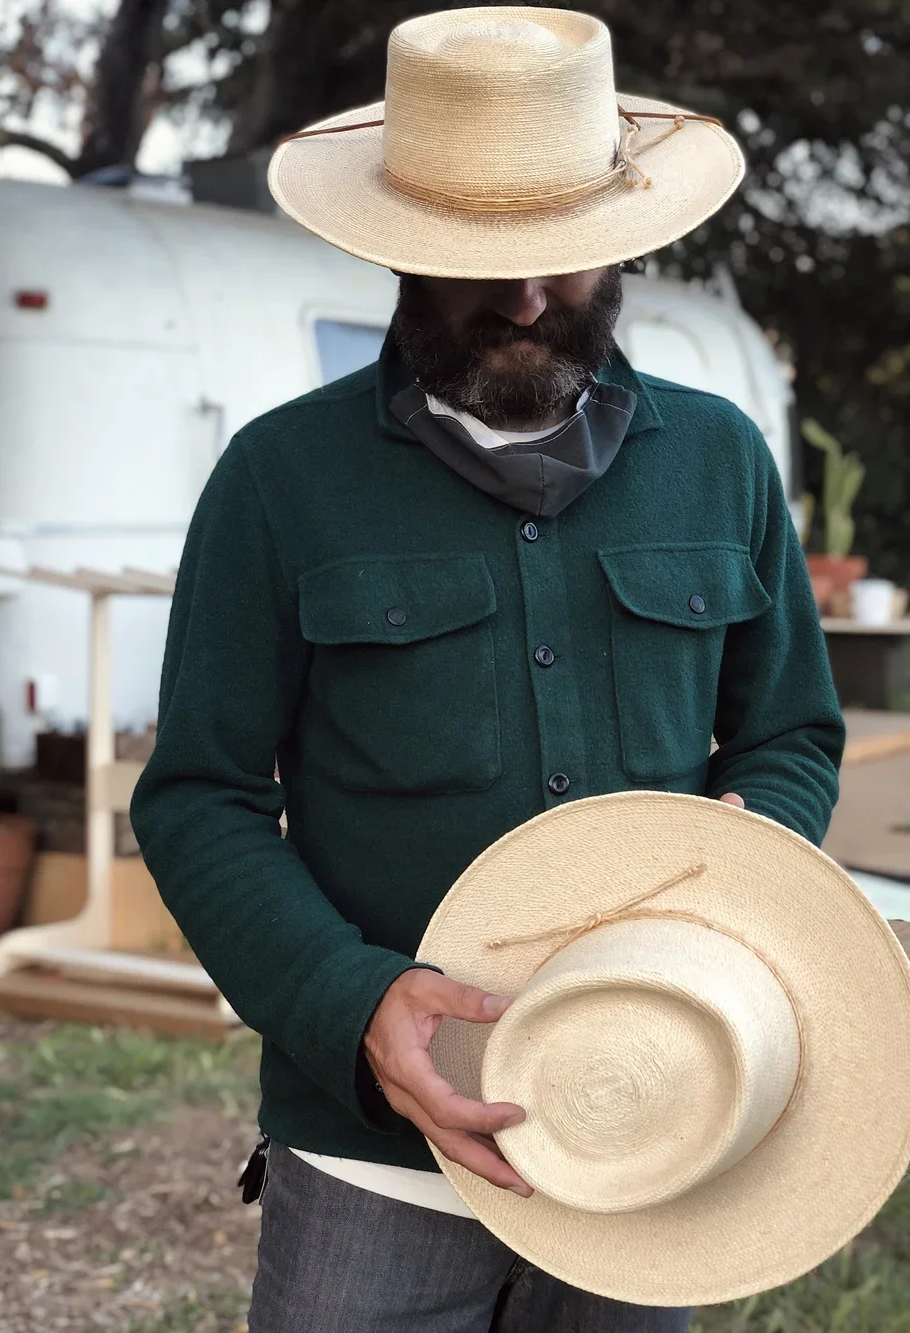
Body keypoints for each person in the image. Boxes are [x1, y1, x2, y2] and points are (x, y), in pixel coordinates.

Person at [130, 9, 844, 1332]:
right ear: (402, 257)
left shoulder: (724, 459)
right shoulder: (282, 483)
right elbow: (199, 797)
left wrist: (758, 847)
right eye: (484, 267)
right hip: (371, 1166)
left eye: (561, 261)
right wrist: (350, 1002)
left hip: (652, 1125)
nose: (527, 300)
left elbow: (791, 736)